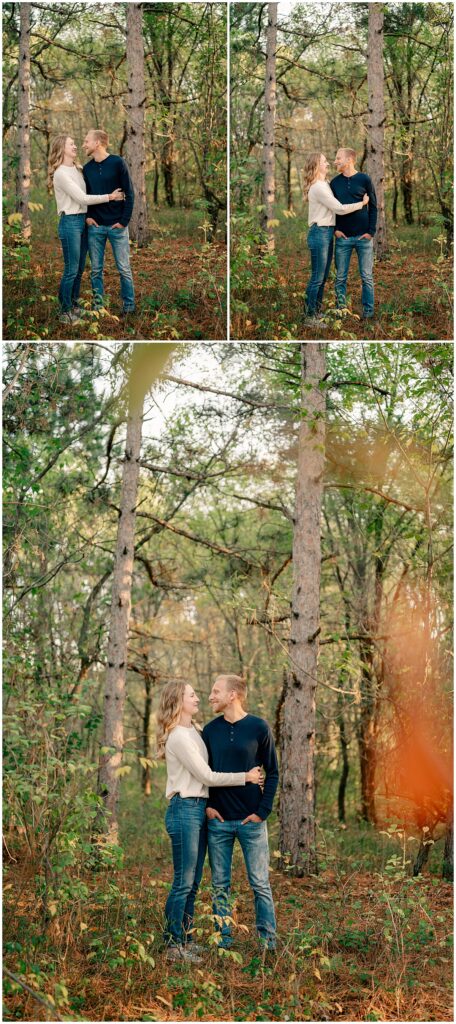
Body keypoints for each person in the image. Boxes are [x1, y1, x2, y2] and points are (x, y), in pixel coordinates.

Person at [156, 680, 263, 964]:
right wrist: (246, 777)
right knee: (183, 882)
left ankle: (186, 939)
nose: (199, 698)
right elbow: (208, 776)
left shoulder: (197, 731)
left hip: (199, 809)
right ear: (179, 701)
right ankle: (172, 945)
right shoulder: (178, 736)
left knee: (193, 882)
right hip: (184, 809)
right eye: (192, 695)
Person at [202, 674, 279, 952]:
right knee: (220, 885)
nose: (210, 696)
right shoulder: (209, 731)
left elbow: (272, 773)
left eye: (215, 691)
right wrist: (209, 806)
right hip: (218, 821)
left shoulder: (259, 727)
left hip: (251, 822)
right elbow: (204, 773)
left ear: (233, 694)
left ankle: (268, 942)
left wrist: (262, 812)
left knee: (260, 883)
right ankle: (223, 941)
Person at [48, 134, 124, 326]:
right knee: (71, 270)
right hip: (70, 223)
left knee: (80, 268)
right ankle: (64, 311)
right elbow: (82, 198)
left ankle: (74, 305)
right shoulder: (60, 173)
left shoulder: (78, 168)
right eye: (71, 144)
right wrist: (110, 197)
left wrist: (89, 216)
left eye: (76, 143)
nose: (76, 146)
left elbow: (86, 196)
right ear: (61, 148)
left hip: (82, 221)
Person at [303, 152, 369, 326]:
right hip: (319, 233)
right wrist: (361, 204)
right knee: (317, 277)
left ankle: (316, 312)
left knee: (322, 277)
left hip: (326, 233)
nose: (328, 164)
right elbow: (338, 209)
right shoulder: (318, 187)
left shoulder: (325, 184)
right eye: (324, 162)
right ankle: (309, 317)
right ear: (317, 165)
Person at [82, 129, 136, 318]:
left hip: (116, 227)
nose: (84, 144)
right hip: (95, 227)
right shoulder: (86, 169)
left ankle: (129, 308)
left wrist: (123, 222)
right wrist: (88, 217)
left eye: (87, 141)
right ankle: (99, 308)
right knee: (96, 270)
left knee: (124, 269)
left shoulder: (117, 162)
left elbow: (129, 193)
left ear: (97, 142)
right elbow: (86, 196)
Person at [330, 147, 378, 321]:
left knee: (366, 277)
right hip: (343, 238)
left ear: (349, 159)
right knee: (340, 278)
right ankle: (341, 313)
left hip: (363, 238)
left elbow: (373, 207)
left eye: (338, 158)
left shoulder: (364, 179)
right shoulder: (334, 183)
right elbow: (332, 209)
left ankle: (368, 313)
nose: (335, 161)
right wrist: (336, 229)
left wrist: (370, 232)